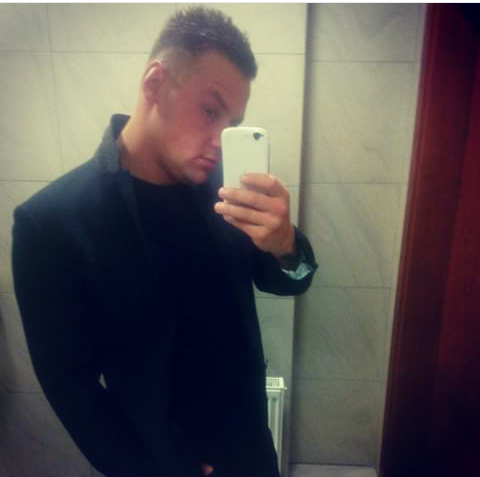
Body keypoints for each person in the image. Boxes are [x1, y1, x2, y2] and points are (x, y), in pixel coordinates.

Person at [11, 7, 317, 477]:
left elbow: (290, 280)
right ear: (155, 84)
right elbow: (70, 386)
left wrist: (285, 243)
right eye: (210, 110)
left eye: (232, 122)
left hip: (250, 449)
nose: (220, 139)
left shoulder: (226, 191)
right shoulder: (51, 222)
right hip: (155, 462)